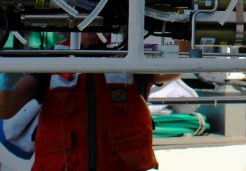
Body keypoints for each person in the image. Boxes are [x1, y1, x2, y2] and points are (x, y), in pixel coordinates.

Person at [0, 32, 179, 171]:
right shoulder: (50, 60)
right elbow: (6, 109)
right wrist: (6, 74)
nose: (90, 28)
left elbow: (177, 65)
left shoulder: (132, 56)